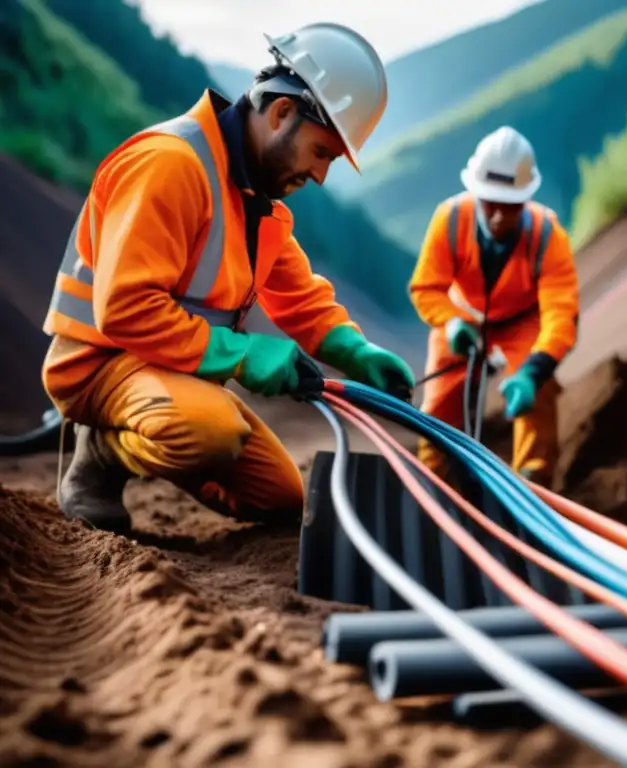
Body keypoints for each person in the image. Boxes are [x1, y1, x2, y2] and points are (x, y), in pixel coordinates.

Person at [41, 22, 415, 533]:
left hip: (175, 371)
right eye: (322, 152)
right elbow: (124, 309)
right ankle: (102, 455)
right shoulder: (170, 165)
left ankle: (178, 429)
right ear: (282, 113)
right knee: (210, 432)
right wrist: (243, 355)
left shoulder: (258, 207)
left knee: (281, 497)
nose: (321, 174)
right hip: (101, 365)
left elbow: (301, 299)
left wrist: (356, 352)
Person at [408, 126, 580, 489]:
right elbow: (426, 288)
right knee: (437, 407)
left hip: (521, 323)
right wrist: (451, 323)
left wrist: (533, 371)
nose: (500, 216)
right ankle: (437, 488)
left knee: (540, 394)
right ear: (475, 193)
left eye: (511, 205)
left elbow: (560, 316)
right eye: (490, 203)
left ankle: (534, 492)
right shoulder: (449, 219)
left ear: (526, 199)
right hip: (460, 319)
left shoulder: (548, 236)